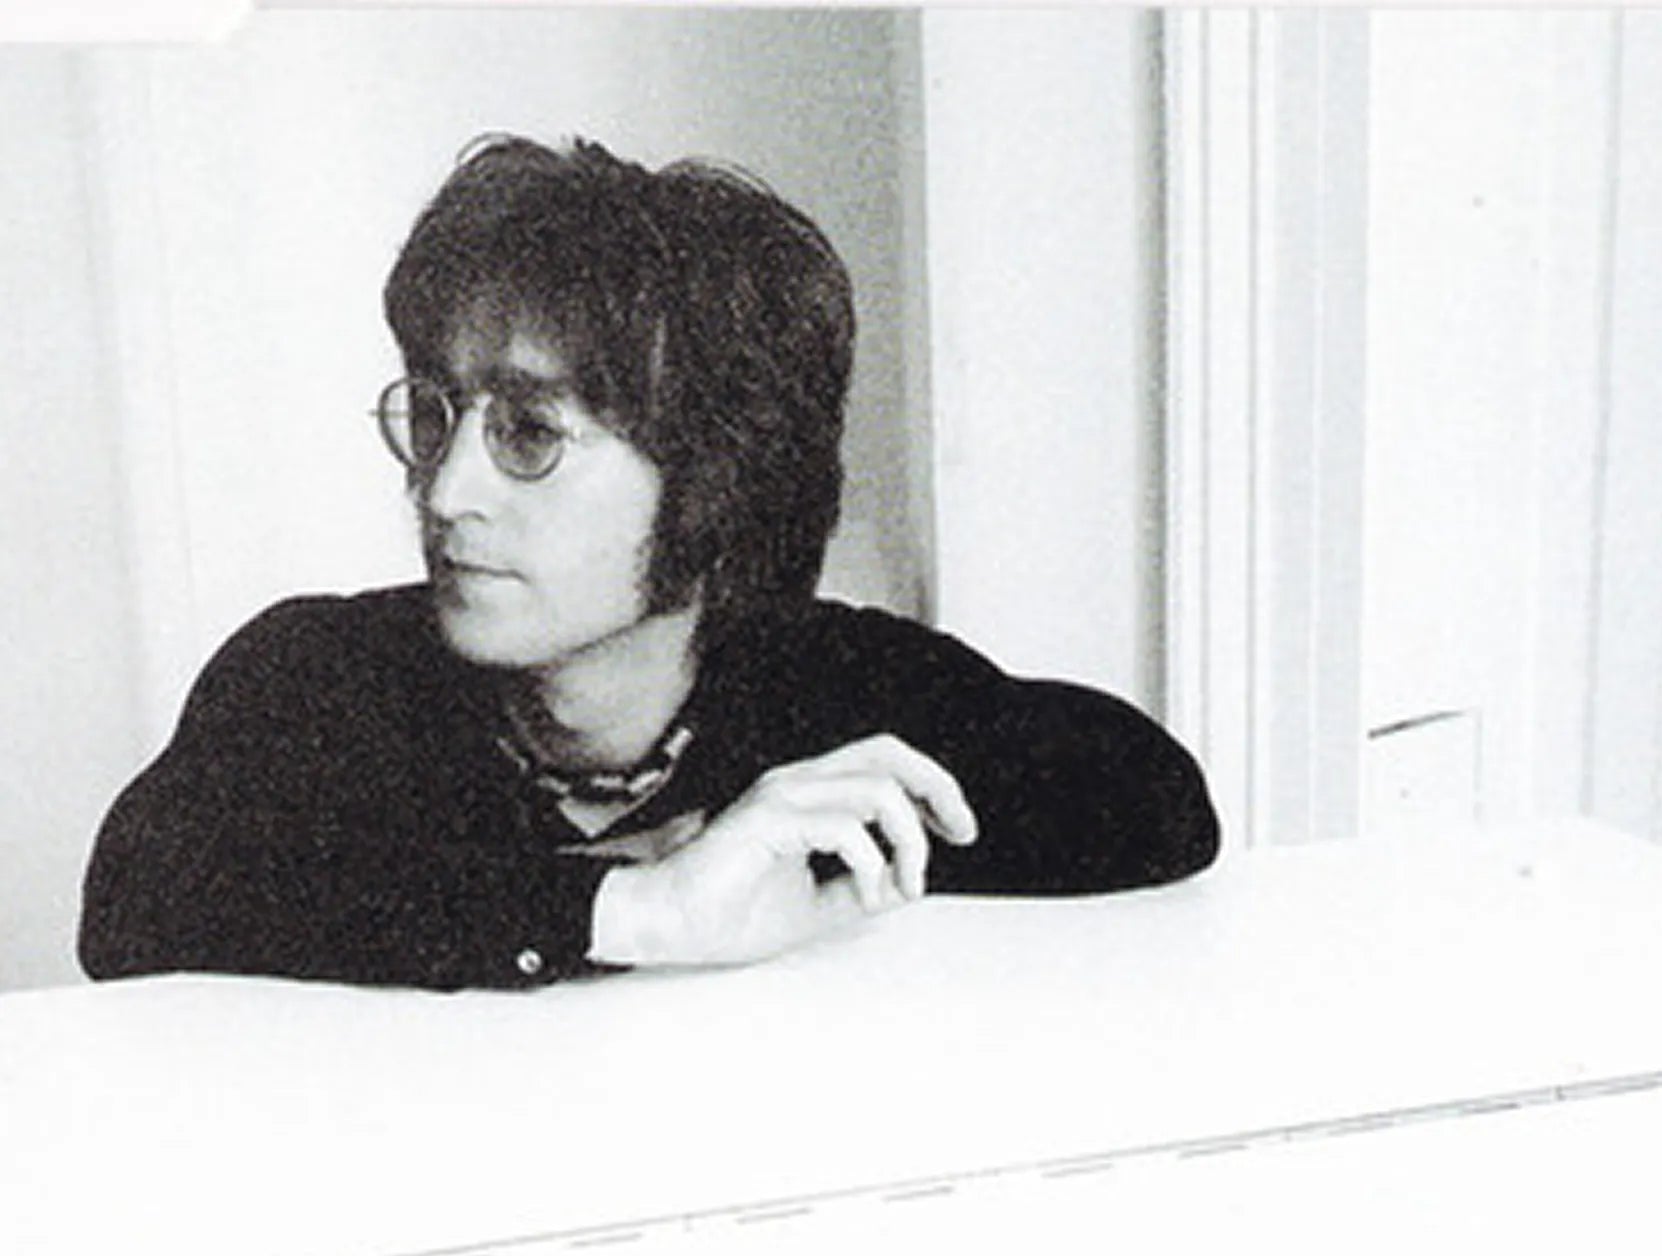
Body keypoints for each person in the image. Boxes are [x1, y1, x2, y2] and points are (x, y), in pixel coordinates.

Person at [78, 135, 1217, 990]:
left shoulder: (829, 685)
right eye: (435, 414)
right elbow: (139, 903)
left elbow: (1153, 804)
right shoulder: (319, 675)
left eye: (530, 433)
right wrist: (639, 909)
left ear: (718, 475)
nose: (445, 488)